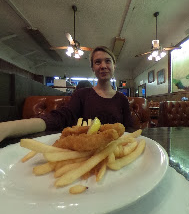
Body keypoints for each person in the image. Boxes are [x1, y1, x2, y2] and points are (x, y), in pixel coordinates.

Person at [0, 46, 133, 142]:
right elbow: (61, 117)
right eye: (97, 62)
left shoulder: (122, 99)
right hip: (86, 153)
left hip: (117, 154)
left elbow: (130, 131)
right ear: (93, 68)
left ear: (114, 66)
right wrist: (8, 128)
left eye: (108, 61)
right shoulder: (82, 94)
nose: (103, 65)